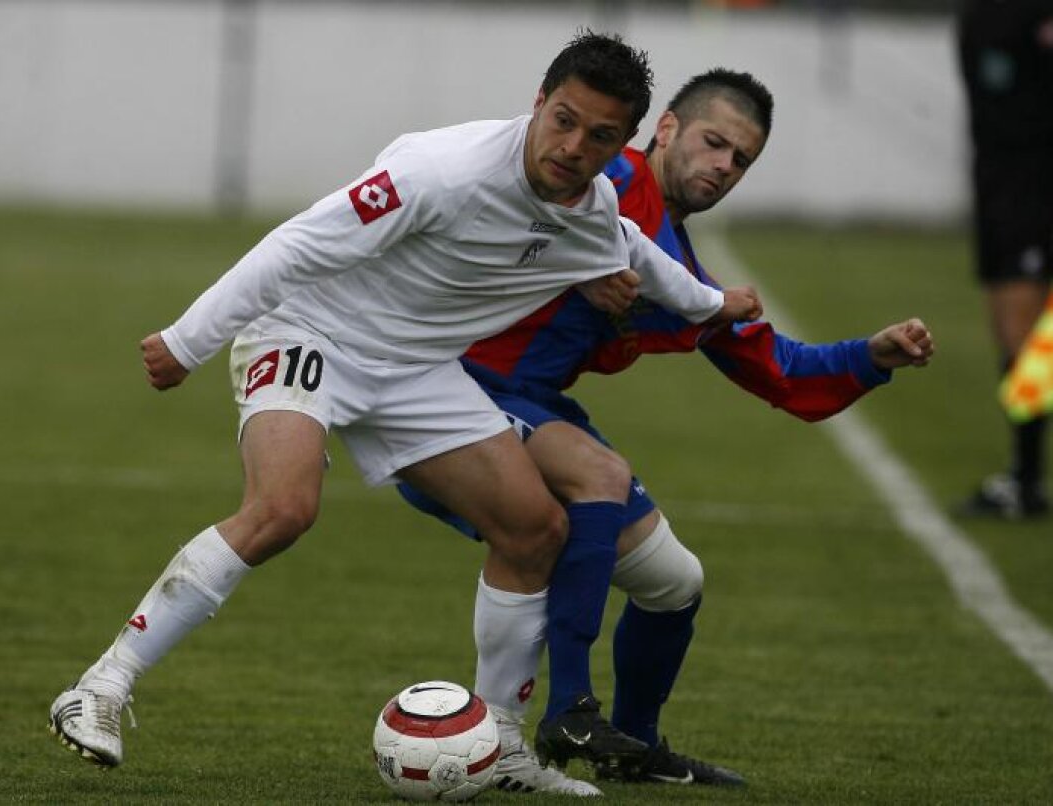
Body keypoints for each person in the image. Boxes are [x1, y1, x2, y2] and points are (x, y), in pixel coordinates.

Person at [47, 32, 764, 774]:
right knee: (285, 508)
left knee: (534, 527)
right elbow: (295, 247)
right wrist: (189, 339)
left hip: (416, 373)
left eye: (601, 136)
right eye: (564, 119)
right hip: (311, 332)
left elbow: (638, 255)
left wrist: (713, 303)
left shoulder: (591, 209)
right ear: (538, 103)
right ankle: (101, 685)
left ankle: (504, 748)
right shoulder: (439, 171)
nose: (574, 146)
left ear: (626, 142)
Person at [400, 68, 935, 795]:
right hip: (451, 388)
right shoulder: (599, 175)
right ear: (667, 129)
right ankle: (562, 711)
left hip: (529, 402)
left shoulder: (681, 268)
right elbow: (504, 198)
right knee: (588, 488)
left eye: (742, 160)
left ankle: (633, 747)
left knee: (674, 582)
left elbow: (779, 368)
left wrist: (871, 357)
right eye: (715, 142)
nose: (724, 166)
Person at [955, 0, 1053, 519]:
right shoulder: (980, 13)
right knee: (1010, 336)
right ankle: (1025, 475)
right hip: (997, 184)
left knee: (1028, 340)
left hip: (1034, 187)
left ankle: (1027, 478)